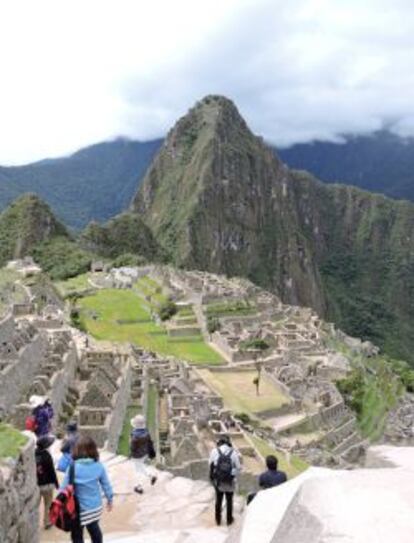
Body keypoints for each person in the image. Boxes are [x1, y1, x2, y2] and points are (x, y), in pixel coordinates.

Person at [61, 436, 113, 543]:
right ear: (94, 450)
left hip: (78, 510)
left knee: (77, 534)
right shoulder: (99, 466)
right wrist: (109, 499)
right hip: (95, 507)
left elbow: (63, 488)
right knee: (94, 529)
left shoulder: (72, 467)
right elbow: (106, 485)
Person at [209, 435, 241, 526]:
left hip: (218, 481)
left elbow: (210, 464)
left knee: (218, 501)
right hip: (229, 482)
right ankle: (229, 520)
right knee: (229, 501)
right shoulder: (233, 452)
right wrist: (231, 474)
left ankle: (218, 520)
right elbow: (238, 468)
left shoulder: (214, 451)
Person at [35, 435, 59, 530]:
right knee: (48, 504)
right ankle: (47, 522)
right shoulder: (47, 456)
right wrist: (56, 484)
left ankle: (34, 523)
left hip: (37, 485)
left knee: (35, 505)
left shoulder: (33, 454)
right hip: (47, 485)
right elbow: (52, 471)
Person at [129, 414, 157, 494]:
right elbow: (149, 442)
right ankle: (151, 476)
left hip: (137, 455)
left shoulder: (135, 436)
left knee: (138, 470)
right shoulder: (146, 432)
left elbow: (132, 448)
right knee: (141, 467)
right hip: (144, 453)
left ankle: (139, 487)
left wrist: (131, 454)